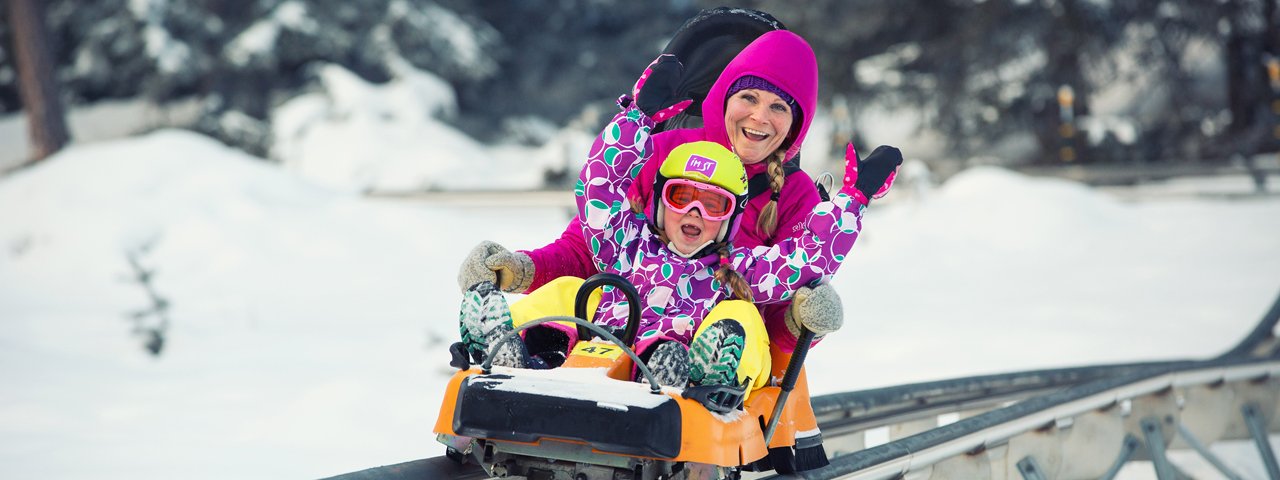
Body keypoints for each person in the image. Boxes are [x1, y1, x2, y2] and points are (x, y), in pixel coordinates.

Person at [458, 48, 902, 388]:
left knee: (736, 319)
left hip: (692, 349)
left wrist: (852, 202)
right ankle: (509, 348)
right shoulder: (654, 186)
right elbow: (597, 201)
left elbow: (802, 262)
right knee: (570, 292)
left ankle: (700, 374)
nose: (693, 213)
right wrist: (636, 117)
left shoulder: (739, 264)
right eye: (682, 197)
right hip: (603, 340)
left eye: (712, 205)